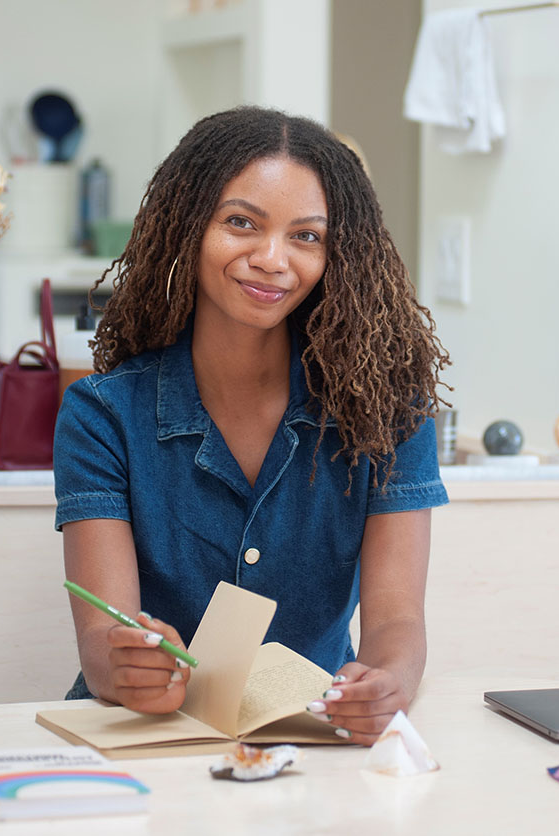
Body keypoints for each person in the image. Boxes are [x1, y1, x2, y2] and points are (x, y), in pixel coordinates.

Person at [53, 106, 451, 746]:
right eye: (241, 223)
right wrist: (125, 662)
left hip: (311, 738)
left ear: (337, 255)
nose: (272, 259)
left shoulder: (389, 414)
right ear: (188, 228)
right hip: (142, 741)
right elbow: (104, 638)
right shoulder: (102, 414)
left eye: (306, 236)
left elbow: (397, 621)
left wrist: (388, 684)